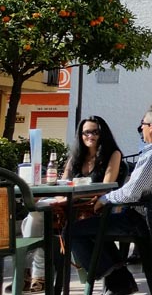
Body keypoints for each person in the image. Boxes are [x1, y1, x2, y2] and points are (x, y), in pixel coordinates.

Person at [67, 104, 152, 295]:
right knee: (94, 228)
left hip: (144, 221)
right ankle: (120, 279)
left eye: (142, 124)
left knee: (71, 231)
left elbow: (132, 193)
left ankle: (117, 278)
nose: (141, 128)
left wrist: (105, 199)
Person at [13, 117, 126, 294]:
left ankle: (34, 274)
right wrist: (59, 197)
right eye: (86, 132)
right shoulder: (76, 156)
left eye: (95, 132)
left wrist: (67, 199)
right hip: (69, 204)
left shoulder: (113, 154)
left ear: (102, 134)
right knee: (35, 214)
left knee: (37, 216)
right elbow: (64, 182)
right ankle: (35, 273)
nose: (90, 136)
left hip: (92, 206)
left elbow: (106, 187)